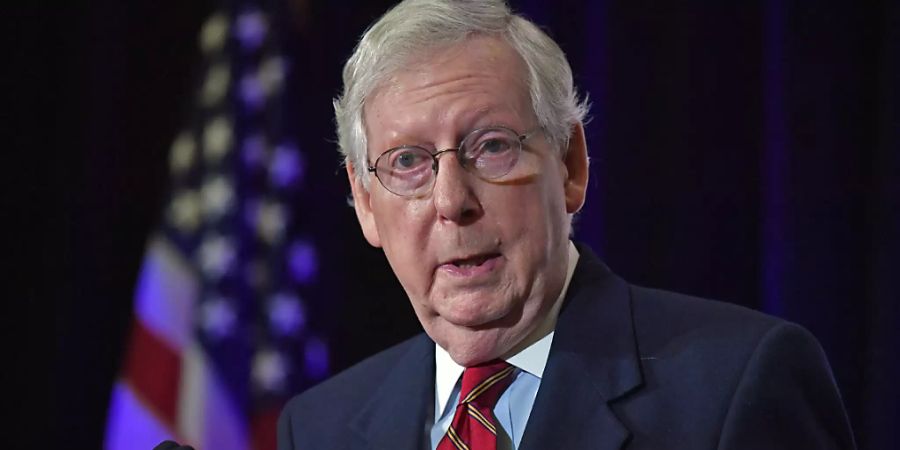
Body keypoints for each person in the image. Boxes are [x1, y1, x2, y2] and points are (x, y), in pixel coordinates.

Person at [277, 0, 856, 449]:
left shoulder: (737, 388)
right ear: (365, 201)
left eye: (491, 147)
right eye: (407, 162)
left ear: (571, 165)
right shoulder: (320, 427)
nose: (453, 202)